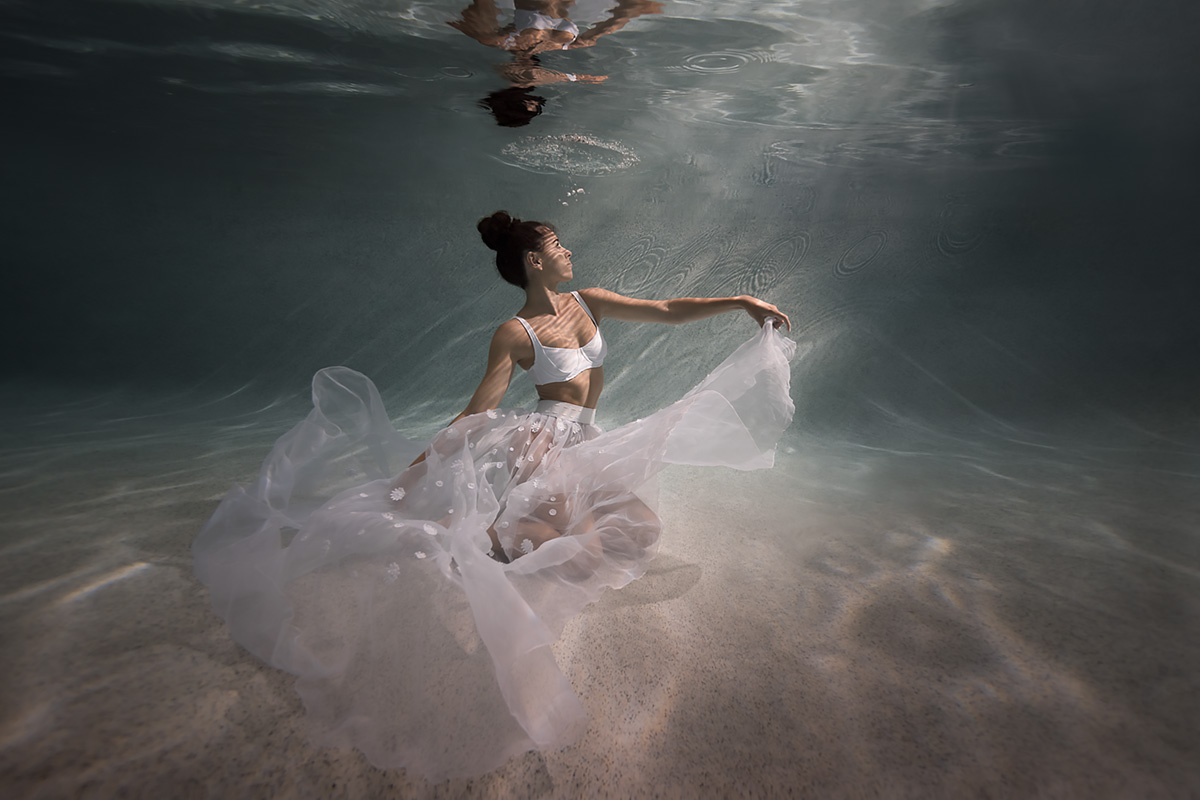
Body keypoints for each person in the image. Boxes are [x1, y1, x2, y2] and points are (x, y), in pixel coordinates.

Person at [192, 211, 799, 781]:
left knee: (639, 531)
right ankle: (475, 534)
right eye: (557, 245)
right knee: (576, 556)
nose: (568, 251)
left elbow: (666, 309)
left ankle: (491, 528)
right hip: (542, 445)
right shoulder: (516, 331)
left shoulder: (587, 302)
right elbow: (480, 408)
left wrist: (742, 302)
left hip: (584, 442)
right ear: (533, 261)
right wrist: (419, 469)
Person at [451, 1, 664, 125]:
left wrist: (579, 78)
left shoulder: (505, 45)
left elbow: (531, 76)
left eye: (529, 103)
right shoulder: (516, 45)